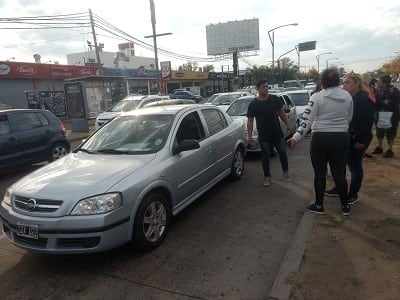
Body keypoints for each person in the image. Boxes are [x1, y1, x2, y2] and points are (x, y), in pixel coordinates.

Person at [287, 68, 353, 216]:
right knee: (339, 172)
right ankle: (345, 206)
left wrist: (296, 137)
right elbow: (349, 117)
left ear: (322, 81)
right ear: (338, 80)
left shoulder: (317, 97)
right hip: (341, 138)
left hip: (320, 139)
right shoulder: (347, 96)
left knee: (320, 173)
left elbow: (306, 121)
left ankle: (319, 205)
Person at [324, 71, 375, 204]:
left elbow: (367, 123)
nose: (344, 85)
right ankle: (338, 188)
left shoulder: (364, 99)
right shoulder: (347, 98)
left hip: (357, 140)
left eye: (348, 82)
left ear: (357, 83)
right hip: (346, 137)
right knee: (341, 164)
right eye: (343, 82)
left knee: (355, 167)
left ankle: (353, 194)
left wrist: (361, 141)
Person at [247, 79, 292, 186]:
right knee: (265, 155)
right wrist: (249, 137)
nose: (266, 88)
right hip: (264, 134)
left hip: (277, 133)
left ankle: (285, 172)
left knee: (282, 153)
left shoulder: (274, 99)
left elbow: (281, 113)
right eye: (263, 87)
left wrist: (288, 124)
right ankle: (267, 177)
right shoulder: (253, 104)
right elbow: (250, 121)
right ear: (257, 89)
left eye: (267, 86)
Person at [371, 74, 400, 158]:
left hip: (392, 115)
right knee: (379, 131)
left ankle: (390, 150)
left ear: (385, 83)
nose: (377, 83)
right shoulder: (378, 90)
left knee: (390, 132)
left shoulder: (394, 90)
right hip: (380, 114)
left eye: (379, 81)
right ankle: (380, 147)